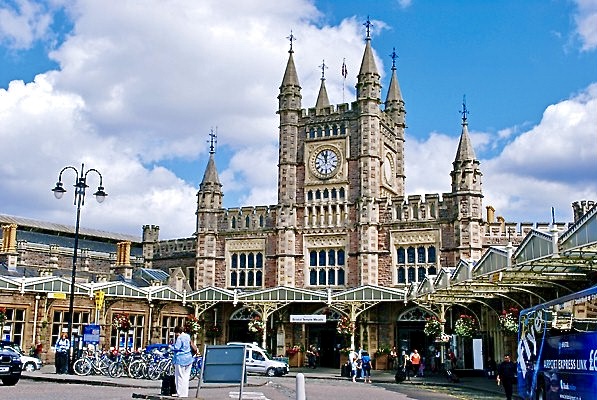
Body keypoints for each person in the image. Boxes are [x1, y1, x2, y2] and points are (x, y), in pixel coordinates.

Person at [172, 325, 196, 398]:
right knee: (186, 377)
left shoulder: (180, 338)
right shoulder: (187, 336)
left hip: (180, 359)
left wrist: (171, 347)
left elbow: (177, 347)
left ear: (177, 332)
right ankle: (185, 393)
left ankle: (179, 393)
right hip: (189, 358)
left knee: (179, 376)